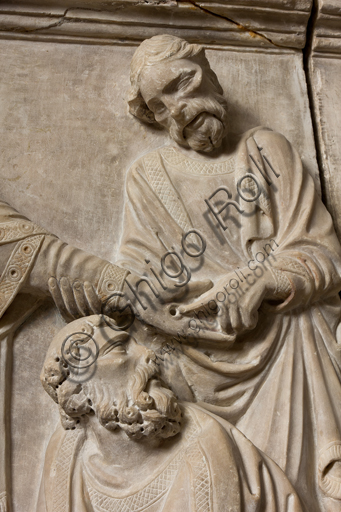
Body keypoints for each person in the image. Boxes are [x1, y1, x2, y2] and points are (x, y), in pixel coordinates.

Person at [114, 34, 341, 510]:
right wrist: (181, 299)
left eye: (183, 82)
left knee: (304, 319)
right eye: (159, 105)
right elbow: (137, 283)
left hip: (284, 344)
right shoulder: (147, 177)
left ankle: (326, 466)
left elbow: (323, 256)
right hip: (195, 348)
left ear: (210, 72)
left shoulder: (265, 151)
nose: (178, 109)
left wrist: (268, 281)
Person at [37, 315, 303, 512]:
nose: (147, 354)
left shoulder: (209, 444)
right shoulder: (64, 462)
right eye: (119, 349)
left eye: (136, 344)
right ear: (80, 392)